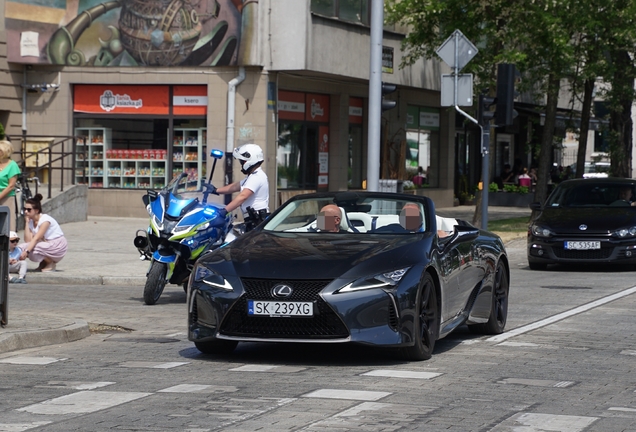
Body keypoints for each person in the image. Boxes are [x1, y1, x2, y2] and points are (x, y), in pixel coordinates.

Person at [215, 144, 269, 231]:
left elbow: (243, 196)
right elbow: (235, 186)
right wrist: (215, 190)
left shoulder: (257, 177)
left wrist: (224, 211)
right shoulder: (252, 176)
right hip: (254, 221)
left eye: (242, 161)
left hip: (257, 221)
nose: (241, 164)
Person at [18, 194, 68, 272]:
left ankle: (50, 262)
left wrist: (27, 251)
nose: (26, 211)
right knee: (21, 247)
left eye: (29, 209)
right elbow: (28, 241)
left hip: (57, 245)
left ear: (37, 210)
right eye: (25, 209)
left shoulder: (45, 220)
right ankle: (43, 263)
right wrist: (27, 223)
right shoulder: (31, 221)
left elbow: (36, 238)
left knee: (34, 249)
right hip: (46, 244)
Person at [0, 140, 21, 231]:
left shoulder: (12, 165)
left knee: (8, 225)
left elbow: (11, 186)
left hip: (6, 197)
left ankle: (9, 244)